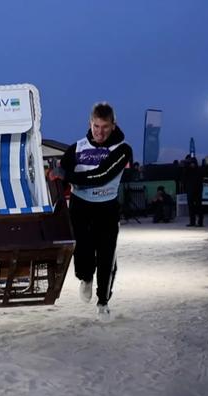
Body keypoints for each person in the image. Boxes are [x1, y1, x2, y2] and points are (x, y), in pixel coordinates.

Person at [53, 103, 133, 321]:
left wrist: (67, 176)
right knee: (82, 252)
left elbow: (101, 176)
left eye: (105, 127)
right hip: (80, 207)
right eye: (96, 126)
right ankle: (86, 277)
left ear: (113, 125)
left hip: (106, 208)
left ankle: (103, 302)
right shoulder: (76, 148)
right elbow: (59, 175)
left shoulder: (123, 149)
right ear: (90, 124)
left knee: (107, 256)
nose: (100, 132)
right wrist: (56, 179)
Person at [182, 156, 204, 227]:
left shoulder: (198, 170)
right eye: (190, 163)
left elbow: (201, 179)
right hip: (190, 190)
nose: (192, 164)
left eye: (192, 163)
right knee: (191, 206)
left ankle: (200, 222)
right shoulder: (187, 170)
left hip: (197, 190)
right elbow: (184, 179)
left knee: (198, 206)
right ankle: (192, 222)